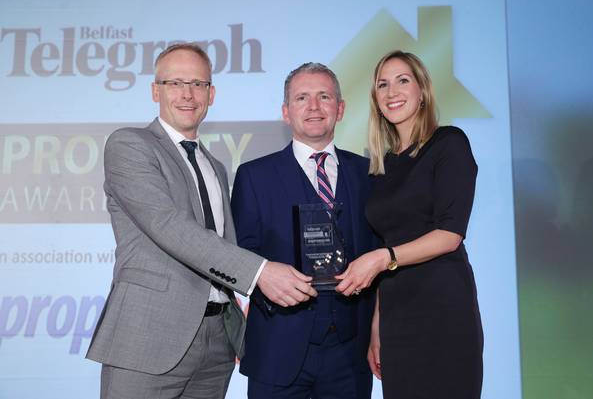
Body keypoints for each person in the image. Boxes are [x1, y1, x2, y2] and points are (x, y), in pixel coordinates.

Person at [86, 43, 317, 399]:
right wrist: (261, 273)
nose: (187, 94)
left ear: (211, 94)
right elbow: (169, 226)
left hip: (216, 343)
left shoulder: (216, 167)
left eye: (198, 84)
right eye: (175, 83)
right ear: (155, 90)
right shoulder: (130, 145)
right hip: (148, 339)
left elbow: (223, 247)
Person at [336, 50, 484, 399]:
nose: (392, 92)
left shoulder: (449, 143)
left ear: (422, 92)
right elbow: (381, 244)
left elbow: (449, 234)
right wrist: (376, 327)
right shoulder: (383, 165)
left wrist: (382, 258)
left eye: (403, 80)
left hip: (444, 310)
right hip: (396, 319)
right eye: (382, 85)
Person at [231, 62, 376, 399]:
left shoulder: (369, 174)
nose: (313, 107)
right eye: (302, 98)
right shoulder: (254, 176)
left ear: (340, 110)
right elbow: (240, 253)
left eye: (324, 97)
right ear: (286, 112)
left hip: (349, 352)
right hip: (276, 347)